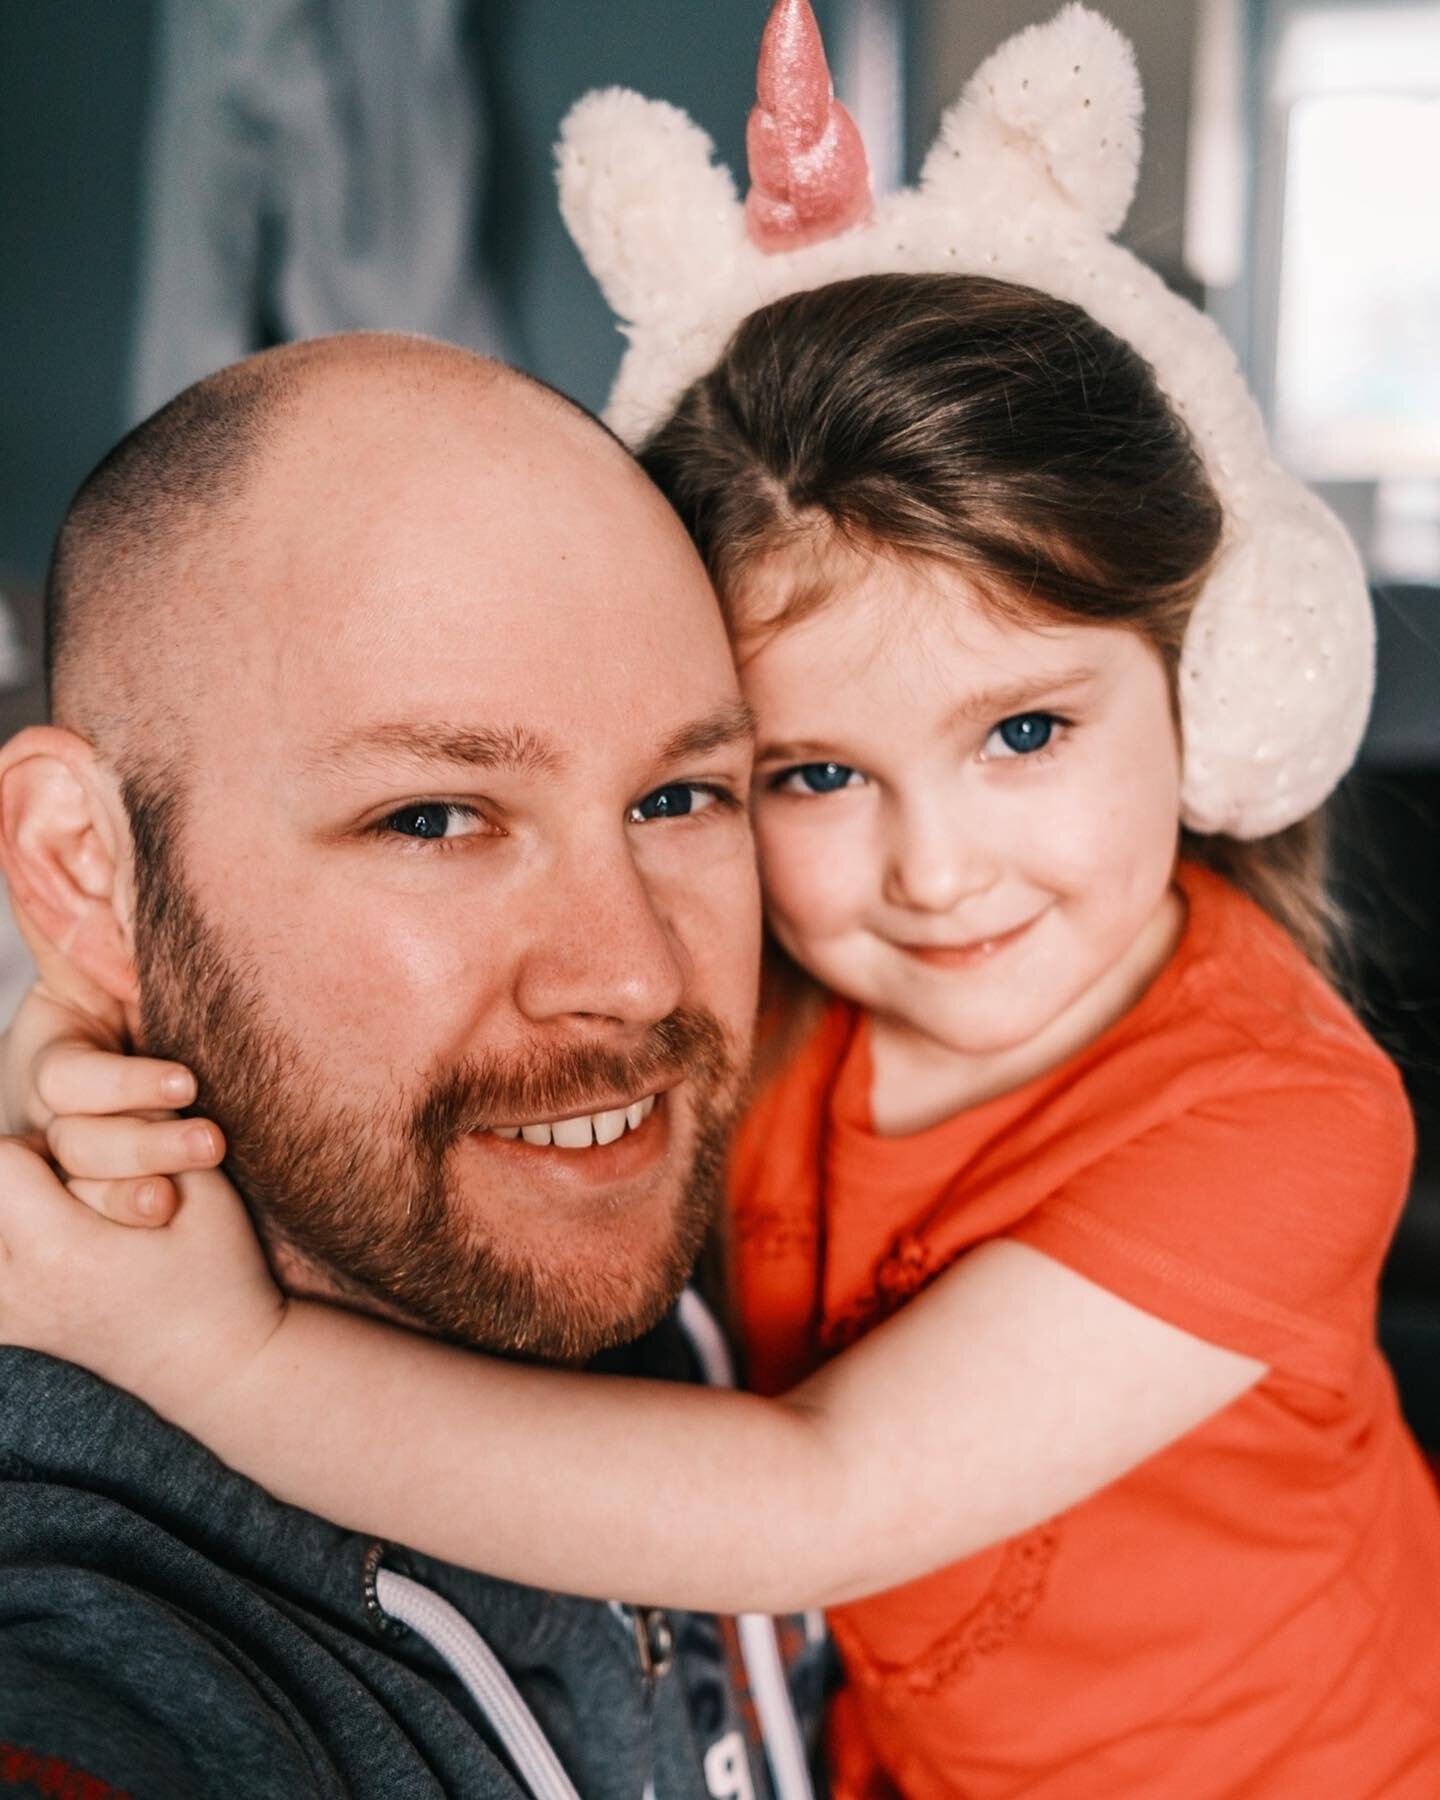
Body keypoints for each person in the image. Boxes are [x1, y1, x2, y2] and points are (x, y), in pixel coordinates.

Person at [5, 3, 1440, 1795]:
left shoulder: (1287, 1121)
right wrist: (89, 1039)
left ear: (1210, 691)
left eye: (1025, 731)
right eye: (810, 776)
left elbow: (819, 1505)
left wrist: (219, 1356)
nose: (934, 869)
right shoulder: (762, 988)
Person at [0, 332, 827, 1800]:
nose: (633, 973)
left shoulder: (801, 1187)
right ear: (84, 868)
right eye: (435, 819)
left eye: (680, 795)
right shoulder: (83, 1658)